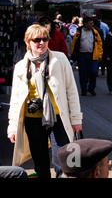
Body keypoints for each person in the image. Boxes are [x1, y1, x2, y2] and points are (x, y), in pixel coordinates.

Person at [7, 24, 83, 178]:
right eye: (37, 40)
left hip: (58, 118)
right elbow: (15, 99)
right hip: (33, 120)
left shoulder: (60, 59)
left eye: (45, 39)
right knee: (40, 163)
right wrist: (12, 126)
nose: (41, 43)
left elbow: (71, 91)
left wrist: (76, 118)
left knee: (64, 161)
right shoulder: (21, 67)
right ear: (28, 42)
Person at [70, 16, 103, 96]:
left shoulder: (95, 32)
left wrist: (100, 55)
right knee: (83, 73)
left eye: (92, 23)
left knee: (94, 72)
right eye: (90, 23)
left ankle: (91, 88)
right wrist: (73, 55)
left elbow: (99, 44)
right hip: (82, 55)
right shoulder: (79, 32)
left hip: (92, 55)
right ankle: (84, 89)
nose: (92, 25)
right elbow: (74, 44)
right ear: (85, 24)